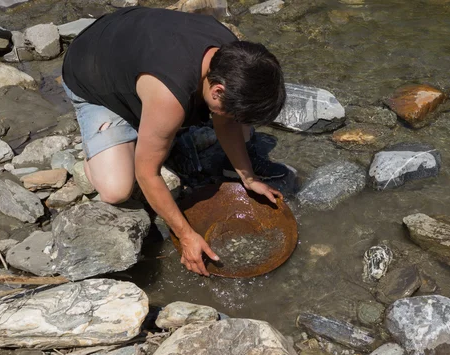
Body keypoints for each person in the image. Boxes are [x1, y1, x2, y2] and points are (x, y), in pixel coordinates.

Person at [62, 6, 287, 276]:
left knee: (242, 129)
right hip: (91, 72)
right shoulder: (169, 95)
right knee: (116, 189)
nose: (233, 118)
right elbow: (147, 174)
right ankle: (98, 150)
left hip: (134, 46)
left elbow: (226, 121)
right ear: (218, 90)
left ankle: (148, 124)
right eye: (229, 109)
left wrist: (248, 178)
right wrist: (186, 234)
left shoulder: (234, 57)